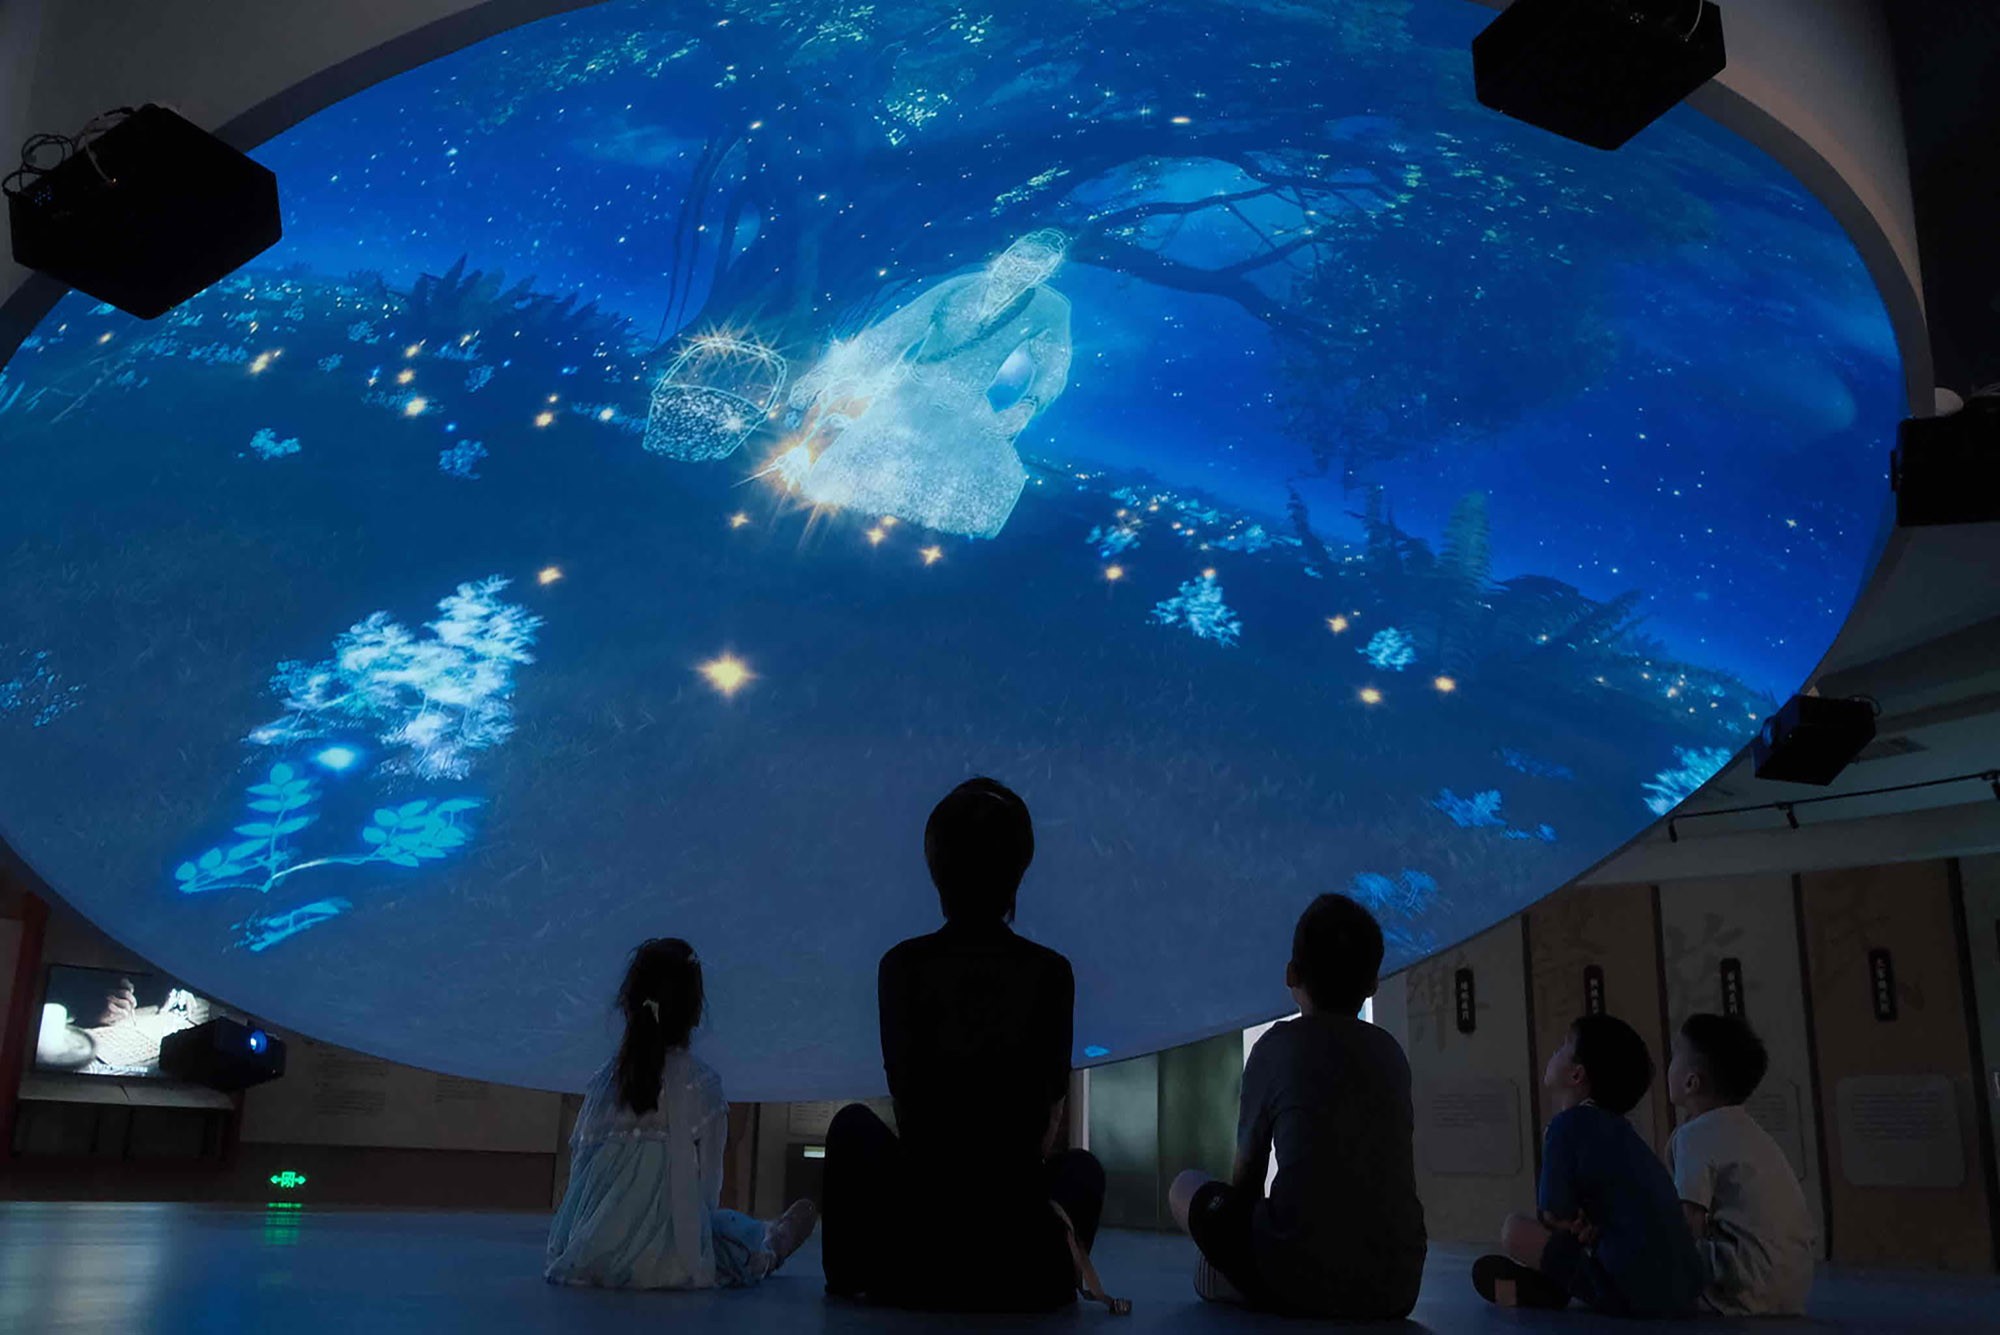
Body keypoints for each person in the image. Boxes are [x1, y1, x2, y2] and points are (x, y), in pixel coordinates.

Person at [821, 777, 1113, 1312]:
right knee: (1083, 1169)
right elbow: (1048, 1118)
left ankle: (853, 1273)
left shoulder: (900, 967)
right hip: (1021, 1265)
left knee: (850, 1126)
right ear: (1018, 871)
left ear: (937, 870)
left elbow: (906, 1104)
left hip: (914, 1258)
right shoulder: (1051, 973)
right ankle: (1050, 1265)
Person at [1166, 893, 1427, 1319]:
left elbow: (1245, 1185)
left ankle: (1230, 1282)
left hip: (1299, 1281)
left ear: (1291, 974)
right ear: (1372, 984)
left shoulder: (1277, 1047)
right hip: (1397, 1289)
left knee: (1184, 1186)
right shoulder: (1391, 1053)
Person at [547, 938, 816, 1289]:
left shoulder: (603, 1084)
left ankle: (766, 1236)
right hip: (672, 1261)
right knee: (758, 1233)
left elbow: (580, 1174)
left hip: (590, 1255)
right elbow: (707, 1192)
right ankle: (772, 1243)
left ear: (628, 1005)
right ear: (695, 1012)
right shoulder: (701, 1084)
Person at [784, 231, 1073, 539]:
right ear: (1005, 254)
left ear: (1044, 273)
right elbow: (888, 338)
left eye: (1032, 266)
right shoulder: (958, 288)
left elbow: (1055, 367)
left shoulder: (1051, 308)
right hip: (909, 396)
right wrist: (822, 377)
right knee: (838, 484)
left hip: (964, 408)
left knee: (987, 488)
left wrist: (1028, 405)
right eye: (1017, 256)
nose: (1018, 268)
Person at [1473, 1014, 1701, 1317]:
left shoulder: (1566, 1126)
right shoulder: (1624, 1134)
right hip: (1685, 1292)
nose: (1555, 1051)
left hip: (1632, 1295)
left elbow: (1553, 1213)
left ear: (1576, 1075)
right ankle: (1556, 1284)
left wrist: (1570, 1224)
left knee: (1514, 1230)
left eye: (1563, 1046)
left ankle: (1555, 1287)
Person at [1665, 1013, 1816, 1315]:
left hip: (1741, 1285)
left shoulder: (1695, 1134)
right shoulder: (1749, 1131)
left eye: (1674, 1055)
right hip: (1791, 1290)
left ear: (1691, 1082)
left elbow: (1687, 1224)